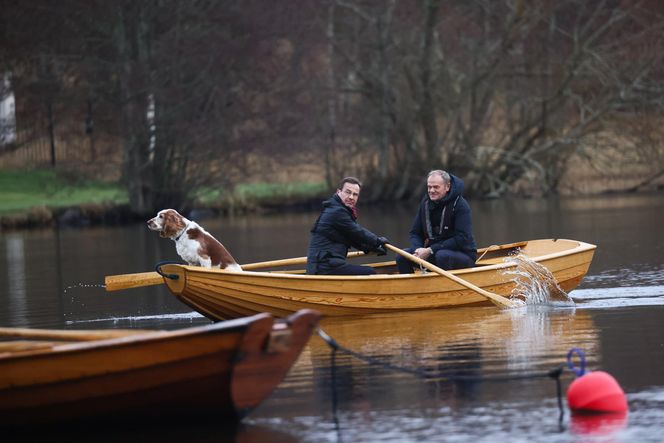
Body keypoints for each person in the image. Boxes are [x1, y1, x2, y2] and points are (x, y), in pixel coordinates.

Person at [396, 169, 477, 273]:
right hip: (433, 252)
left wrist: (430, 250)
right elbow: (415, 233)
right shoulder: (425, 203)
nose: (431, 190)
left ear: (447, 187)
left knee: (442, 256)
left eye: (436, 187)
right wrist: (418, 250)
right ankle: (411, 288)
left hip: (463, 254)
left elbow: (462, 237)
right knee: (402, 256)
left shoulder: (461, 205)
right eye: (429, 187)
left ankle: (444, 288)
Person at [306, 177, 389, 275]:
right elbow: (357, 231)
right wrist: (377, 241)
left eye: (355, 194)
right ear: (338, 192)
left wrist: (372, 248)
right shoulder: (336, 211)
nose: (351, 197)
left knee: (368, 271)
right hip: (325, 266)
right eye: (348, 192)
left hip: (324, 265)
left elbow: (351, 238)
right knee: (369, 272)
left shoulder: (338, 209)